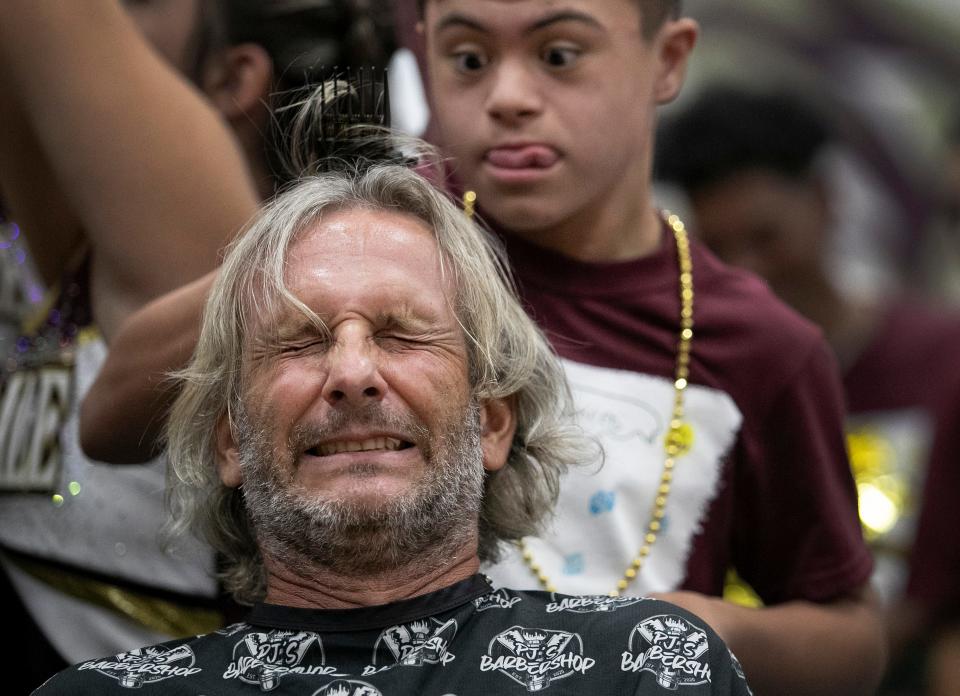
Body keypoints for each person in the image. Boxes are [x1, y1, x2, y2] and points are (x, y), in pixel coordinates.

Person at [79, 1, 886, 693]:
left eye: (559, 55)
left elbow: (854, 638)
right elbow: (108, 420)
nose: (508, 97)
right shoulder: (382, 249)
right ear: (422, 60)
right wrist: (352, 258)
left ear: (667, 59)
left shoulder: (756, 343)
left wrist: (688, 632)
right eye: (466, 59)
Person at [35, 164, 753, 696]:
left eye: (402, 334)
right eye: (301, 340)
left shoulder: (645, 667)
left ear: (491, 423)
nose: (351, 371)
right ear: (231, 441)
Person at [0, 0, 390, 690]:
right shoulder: (80, 249)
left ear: (233, 77)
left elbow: (46, 20)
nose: (109, 20)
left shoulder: (213, 256)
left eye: (135, 5)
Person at [656, 85, 960, 692]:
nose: (749, 272)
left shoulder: (942, 360)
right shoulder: (689, 383)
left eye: (767, 237)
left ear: (824, 200)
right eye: (720, 249)